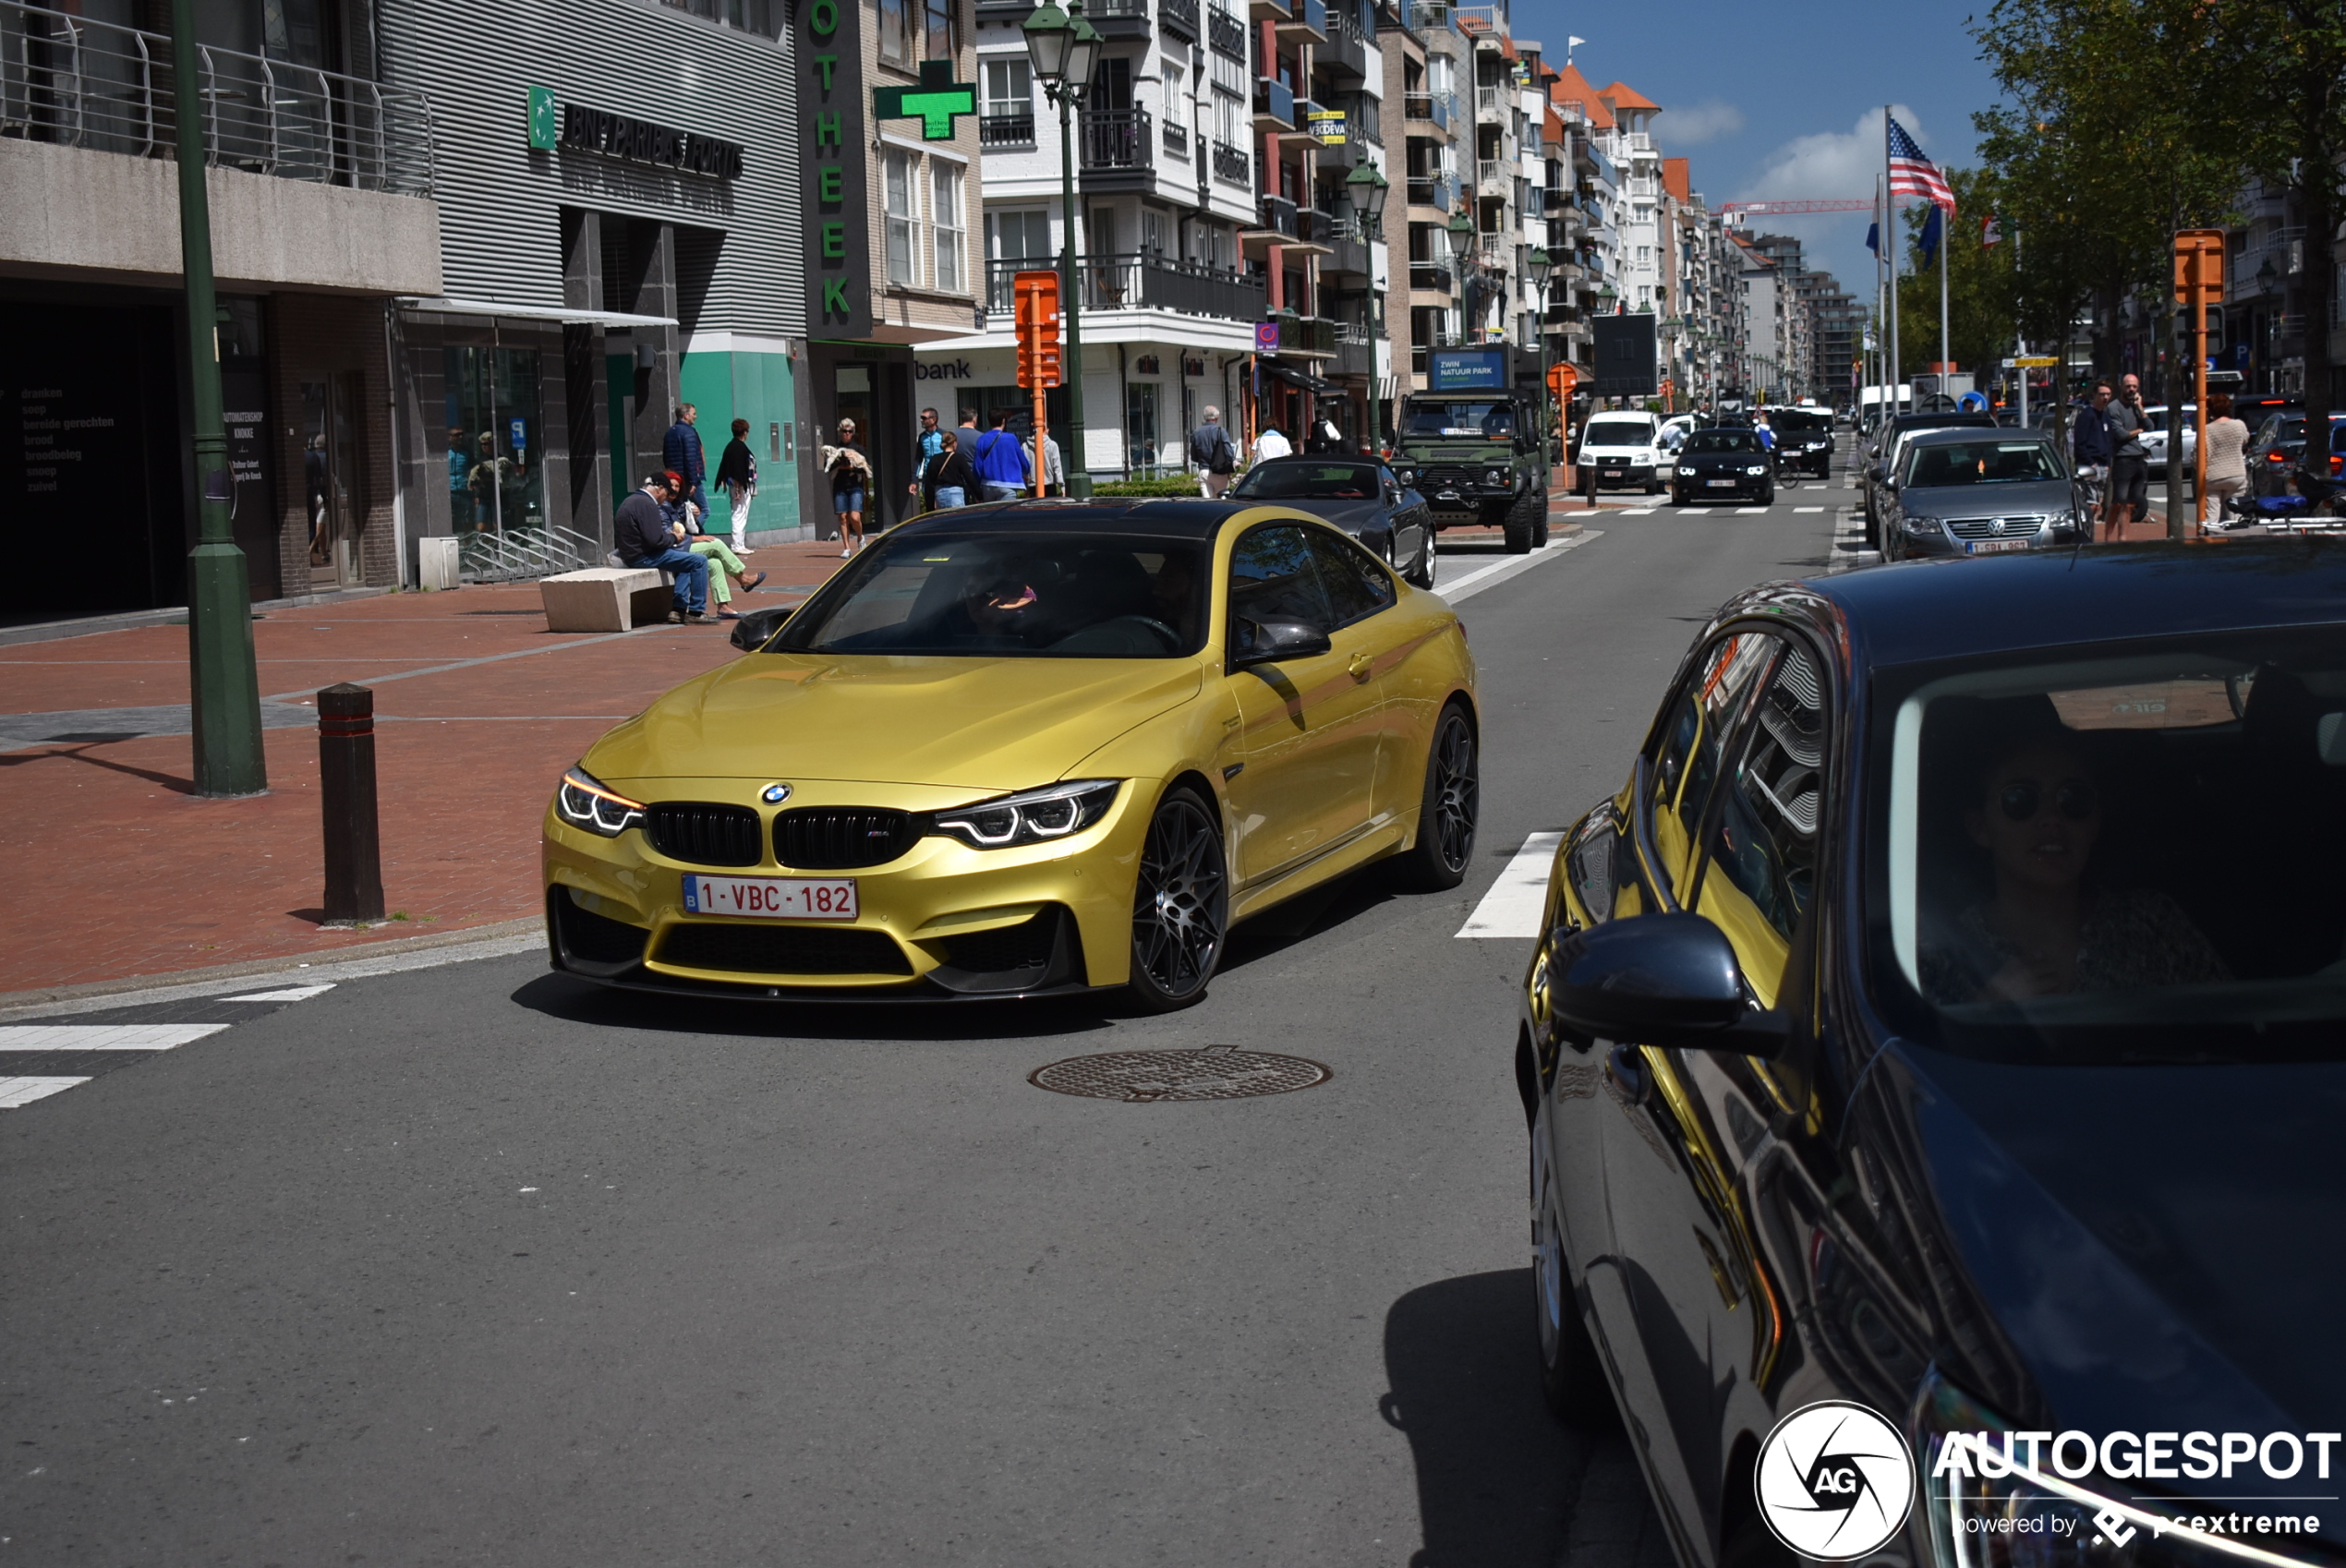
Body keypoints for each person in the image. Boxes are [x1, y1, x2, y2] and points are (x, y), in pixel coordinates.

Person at [1919, 730, 2228, 1004]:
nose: (2052, 818)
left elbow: (2238, 1036)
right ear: (1979, 828)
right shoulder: (1944, 951)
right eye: (2020, 799)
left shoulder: (2152, 924)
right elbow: (1906, 1062)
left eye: (2073, 799)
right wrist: (1986, 1009)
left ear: (2095, 822)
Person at [614, 472, 712, 624]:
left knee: (685, 560)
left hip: (633, 554)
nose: (666, 498)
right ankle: (696, 611)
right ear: (660, 489)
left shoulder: (631, 500)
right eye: (666, 493)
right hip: (644, 557)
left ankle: (678, 609)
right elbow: (655, 540)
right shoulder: (647, 504)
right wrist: (674, 537)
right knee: (699, 561)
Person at [669, 469, 766, 621]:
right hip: (675, 548)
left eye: (677, 486)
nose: (674, 489)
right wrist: (696, 539)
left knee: (715, 563)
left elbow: (690, 528)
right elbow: (669, 534)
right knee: (716, 544)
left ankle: (723, 607)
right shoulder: (662, 506)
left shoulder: (679, 504)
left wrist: (692, 516)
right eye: (671, 486)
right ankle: (743, 579)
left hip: (683, 545)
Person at [2104, 374, 2153, 540]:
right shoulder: (2114, 408)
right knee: (2118, 501)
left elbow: (2150, 426)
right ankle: (2107, 538)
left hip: (2138, 458)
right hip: (2123, 458)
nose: (2131, 389)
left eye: (2134, 387)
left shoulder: (2135, 407)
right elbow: (2121, 435)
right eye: (2128, 386)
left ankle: (2123, 537)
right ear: (2121, 386)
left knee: (2131, 502)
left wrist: (2140, 408)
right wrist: (2139, 431)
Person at [2201, 391, 2250, 528]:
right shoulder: (2239, 425)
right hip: (2236, 473)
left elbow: (2196, 454)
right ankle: (2235, 538)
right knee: (2235, 512)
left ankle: (2211, 537)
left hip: (2213, 475)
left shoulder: (2206, 429)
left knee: (2212, 513)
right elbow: (2245, 439)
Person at [823, 418, 871, 556]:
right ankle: (847, 548)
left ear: (853, 433)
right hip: (840, 486)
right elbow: (828, 467)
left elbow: (866, 467)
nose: (847, 434)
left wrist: (852, 467)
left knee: (855, 517)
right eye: (844, 431)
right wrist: (840, 464)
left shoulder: (858, 448)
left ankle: (860, 538)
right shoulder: (836, 449)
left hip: (855, 486)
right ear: (840, 432)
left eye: (850, 431)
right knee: (842, 517)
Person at [2072, 380, 2115, 533]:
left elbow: (2109, 440)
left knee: (2097, 501)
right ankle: (2085, 531)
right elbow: (2079, 443)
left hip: (2103, 464)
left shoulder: (2105, 416)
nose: (2105, 398)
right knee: (2092, 502)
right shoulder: (2087, 415)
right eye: (2102, 394)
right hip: (2090, 465)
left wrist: (2107, 462)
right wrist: (2090, 463)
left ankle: (2088, 529)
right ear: (2095, 395)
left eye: (2108, 394)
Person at [713, 417, 758, 550]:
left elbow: (726, 466)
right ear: (744, 432)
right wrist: (738, 489)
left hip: (740, 485)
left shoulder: (732, 446)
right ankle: (737, 545)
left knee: (741, 513)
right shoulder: (738, 448)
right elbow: (737, 470)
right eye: (747, 431)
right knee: (739, 513)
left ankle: (740, 544)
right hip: (740, 486)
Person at [662, 403, 708, 519]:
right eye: (694, 414)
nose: (696, 416)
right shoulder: (689, 432)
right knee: (704, 510)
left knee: (679, 509)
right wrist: (693, 481)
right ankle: (689, 535)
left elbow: (666, 457)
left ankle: (680, 531)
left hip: (675, 479)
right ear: (686, 416)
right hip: (688, 479)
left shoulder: (669, 432)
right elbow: (691, 458)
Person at [972, 410, 1029, 501]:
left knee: (990, 514)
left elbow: (977, 467)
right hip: (1008, 485)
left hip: (988, 484)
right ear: (1003, 421)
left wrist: (978, 485)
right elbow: (1023, 461)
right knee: (1005, 514)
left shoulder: (982, 439)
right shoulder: (1011, 438)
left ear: (989, 421)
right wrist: (1025, 471)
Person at [1191, 405, 1239, 498]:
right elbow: (1229, 453)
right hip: (1220, 472)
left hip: (1204, 471)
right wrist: (1230, 469)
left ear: (1205, 417)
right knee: (1221, 501)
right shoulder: (1221, 431)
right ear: (1217, 417)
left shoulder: (1196, 432)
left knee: (1207, 504)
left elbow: (1194, 456)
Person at [925, 429, 977, 509]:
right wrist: (978, 494)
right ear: (954, 443)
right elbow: (969, 478)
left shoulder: (934, 459)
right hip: (955, 494)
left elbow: (929, 484)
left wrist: (930, 507)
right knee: (957, 519)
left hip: (939, 494)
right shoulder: (958, 458)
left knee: (943, 520)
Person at [907, 407, 944, 513]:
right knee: (930, 508)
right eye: (921, 418)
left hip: (942, 476)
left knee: (942, 507)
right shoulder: (922, 437)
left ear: (933, 419)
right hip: (928, 477)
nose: (921, 420)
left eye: (924, 418)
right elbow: (918, 459)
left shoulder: (943, 435)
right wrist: (914, 480)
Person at [1026, 426, 1065, 498]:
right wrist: (1062, 486)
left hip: (1032, 485)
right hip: (1049, 484)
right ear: (1047, 430)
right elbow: (1057, 467)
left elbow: (1024, 469)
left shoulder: (1025, 446)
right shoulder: (1053, 445)